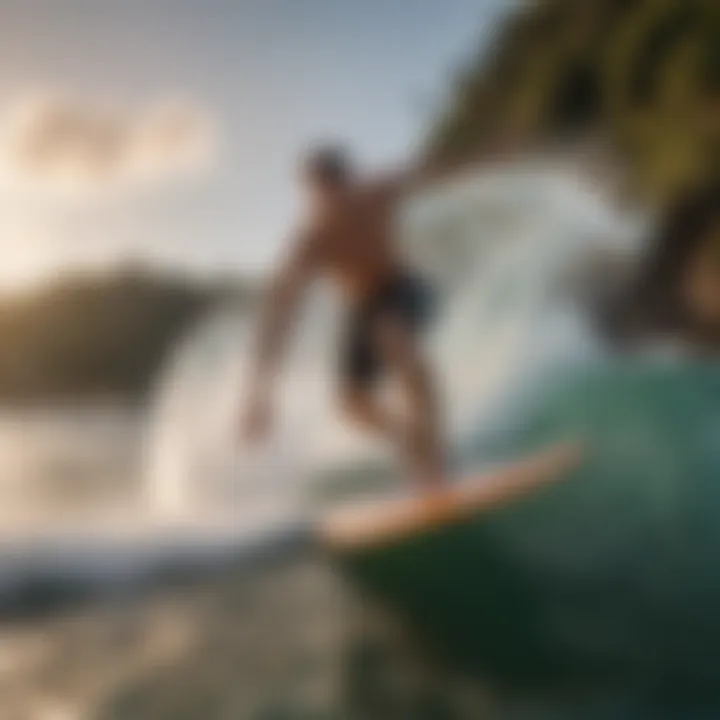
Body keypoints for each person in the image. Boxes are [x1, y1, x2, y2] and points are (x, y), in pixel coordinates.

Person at [241, 145, 471, 489]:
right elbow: (279, 317)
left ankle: (434, 455)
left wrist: (487, 156)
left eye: (340, 185)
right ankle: (411, 441)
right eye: (323, 192)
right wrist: (260, 394)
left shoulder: (376, 193)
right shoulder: (311, 240)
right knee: (351, 404)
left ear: (349, 180)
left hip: (405, 289)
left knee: (392, 335)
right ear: (312, 194)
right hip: (364, 310)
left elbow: (432, 167)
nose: (336, 200)